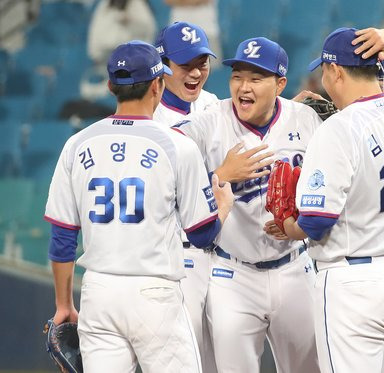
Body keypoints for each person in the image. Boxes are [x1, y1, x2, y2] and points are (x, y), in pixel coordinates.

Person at [44, 40, 233, 372]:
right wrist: (223, 208)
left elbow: (62, 237)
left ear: (110, 86)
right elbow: (202, 235)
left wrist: (63, 304)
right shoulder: (178, 145)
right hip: (154, 292)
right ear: (158, 85)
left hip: (98, 292)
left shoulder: (77, 144)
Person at [278, 27, 384, 372]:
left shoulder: (337, 129)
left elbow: (316, 222)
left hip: (351, 285)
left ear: (335, 71)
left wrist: (287, 227)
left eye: (324, 71)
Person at [173, 36, 323, 373]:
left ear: (279, 84)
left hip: (294, 269)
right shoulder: (210, 120)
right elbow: (167, 166)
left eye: (256, 78)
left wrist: (300, 221)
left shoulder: (306, 119)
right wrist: (221, 173)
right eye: (238, 76)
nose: (243, 86)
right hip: (232, 274)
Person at [152, 21, 221, 372]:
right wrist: (223, 176)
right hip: (178, 258)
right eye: (185, 65)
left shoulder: (213, 105)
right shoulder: (148, 116)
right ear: (161, 65)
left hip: (223, 258)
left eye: (202, 63)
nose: (196, 72)